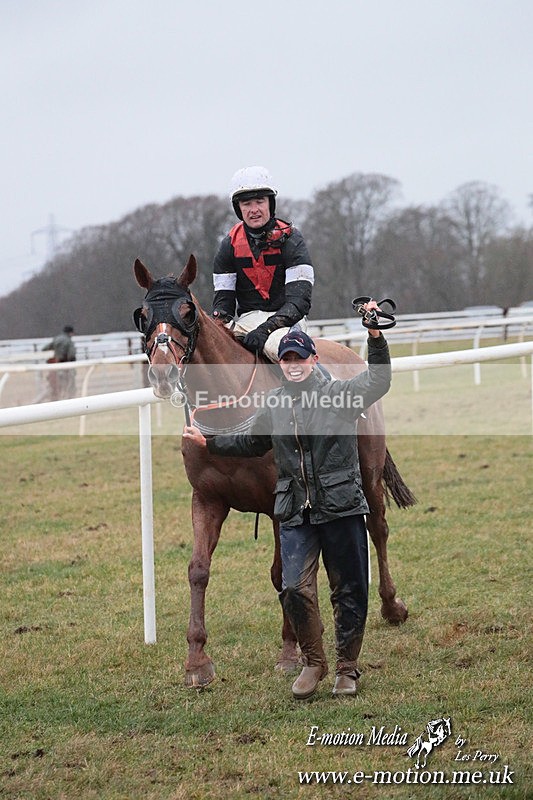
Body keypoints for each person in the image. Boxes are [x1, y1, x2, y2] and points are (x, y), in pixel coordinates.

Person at [183, 302, 391, 700]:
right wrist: (208, 443)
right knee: (293, 587)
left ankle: (347, 668)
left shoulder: (340, 395)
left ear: (314, 359)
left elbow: (378, 383)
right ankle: (314, 662)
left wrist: (375, 336)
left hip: (342, 506)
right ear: (283, 364)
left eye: (301, 358)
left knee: (348, 591)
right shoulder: (274, 404)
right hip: (296, 508)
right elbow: (250, 442)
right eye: (288, 359)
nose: (294, 365)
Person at [212, 165, 315, 361]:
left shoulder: (292, 240)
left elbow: (299, 302)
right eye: (246, 204)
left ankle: (320, 385)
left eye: (260, 201)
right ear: (238, 208)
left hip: (287, 321)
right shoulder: (228, 245)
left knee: (287, 353)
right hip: (246, 321)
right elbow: (223, 303)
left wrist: (266, 329)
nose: (254, 210)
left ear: (270, 203)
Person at [42, 325, 77, 400]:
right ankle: (69, 398)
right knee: (69, 385)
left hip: (55, 367)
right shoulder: (68, 341)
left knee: (54, 385)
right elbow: (71, 355)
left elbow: (45, 349)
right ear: (71, 333)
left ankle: (54, 397)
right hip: (66, 367)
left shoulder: (56, 339)